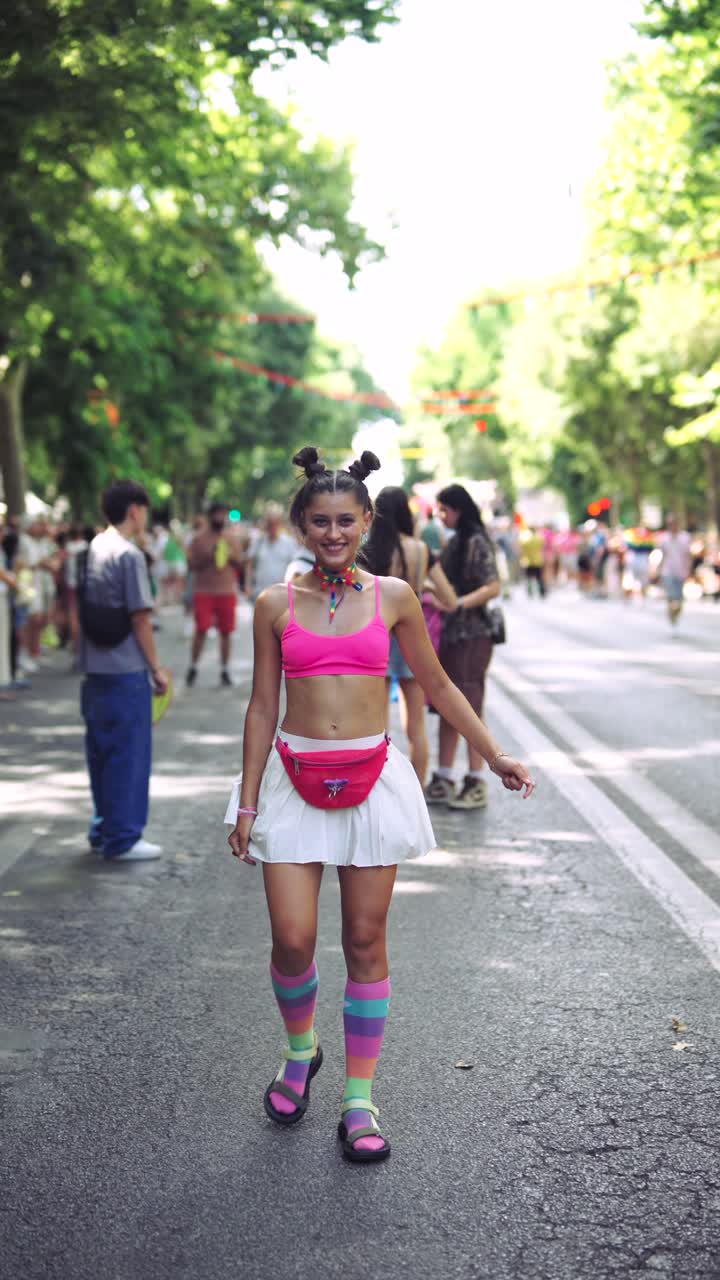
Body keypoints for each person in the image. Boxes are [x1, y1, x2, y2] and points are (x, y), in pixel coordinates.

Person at [225, 447, 534, 1164]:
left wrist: (494, 755)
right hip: (292, 781)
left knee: (365, 941)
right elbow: (262, 705)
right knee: (293, 939)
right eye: (320, 522)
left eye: (346, 521)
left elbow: (439, 685)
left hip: (371, 779)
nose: (333, 533)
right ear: (302, 526)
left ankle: (359, 1099)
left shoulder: (394, 595)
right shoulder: (275, 604)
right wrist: (245, 804)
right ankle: (301, 1051)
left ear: (367, 521)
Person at [79, 480, 169, 861]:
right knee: (128, 756)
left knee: (100, 753)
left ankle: (103, 827)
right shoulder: (129, 555)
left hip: (94, 670)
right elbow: (140, 618)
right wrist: (157, 668)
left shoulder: (92, 548)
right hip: (126, 670)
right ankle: (124, 837)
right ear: (135, 510)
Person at [361, 485, 457, 784]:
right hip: (412, 636)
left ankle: (379, 785)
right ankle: (417, 789)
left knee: (377, 724)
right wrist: (424, 590)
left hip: (375, 634)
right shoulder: (421, 550)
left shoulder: (369, 550)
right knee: (415, 723)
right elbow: (451, 599)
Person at [424, 484, 502, 811]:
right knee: (450, 706)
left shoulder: (476, 541)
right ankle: (443, 776)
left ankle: (475, 779)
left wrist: (458, 604)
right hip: (454, 633)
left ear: (459, 509)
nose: (441, 516)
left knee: (468, 704)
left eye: (445, 510)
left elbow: (494, 586)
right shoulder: (456, 541)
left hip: (473, 634)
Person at [186, 502, 243, 688]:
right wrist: (208, 556)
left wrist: (231, 555)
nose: (220, 517)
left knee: (226, 632)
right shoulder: (199, 539)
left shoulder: (232, 538)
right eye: (217, 513)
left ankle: (225, 670)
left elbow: (240, 564)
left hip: (226, 591)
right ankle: (193, 666)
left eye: (223, 514)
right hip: (204, 591)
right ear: (210, 516)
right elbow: (192, 565)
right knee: (201, 629)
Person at [245, 503, 298, 602]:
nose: (272, 527)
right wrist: (248, 585)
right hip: (260, 593)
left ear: (280, 524)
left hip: (282, 594)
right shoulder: (258, 541)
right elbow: (249, 564)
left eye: (275, 523)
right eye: (270, 523)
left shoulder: (289, 542)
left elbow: (295, 568)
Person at [658, 513, 692, 627]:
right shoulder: (664, 538)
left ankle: (674, 617)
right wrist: (659, 570)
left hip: (681, 572)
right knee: (671, 598)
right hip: (667, 571)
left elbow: (688, 555)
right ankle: (671, 618)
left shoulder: (685, 537)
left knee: (679, 600)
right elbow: (662, 555)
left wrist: (688, 570)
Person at [518, 526, 545, 598]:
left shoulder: (525, 540)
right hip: (538, 560)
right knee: (539, 578)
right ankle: (542, 592)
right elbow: (542, 546)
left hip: (528, 561)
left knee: (528, 578)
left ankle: (530, 592)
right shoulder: (539, 539)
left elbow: (521, 549)